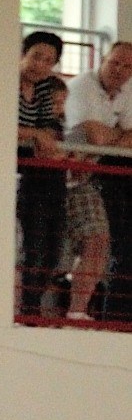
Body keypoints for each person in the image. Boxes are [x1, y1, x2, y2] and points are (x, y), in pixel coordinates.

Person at [60, 37, 132, 325]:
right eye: (115, 63)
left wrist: (109, 138)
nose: (119, 70)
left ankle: (80, 312)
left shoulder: (127, 91)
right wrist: (118, 137)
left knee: (100, 241)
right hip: (67, 174)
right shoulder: (81, 86)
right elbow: (95, 136)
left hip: (96, 174)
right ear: (102, 60)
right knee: (54, 247)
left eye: (127, 66)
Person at [13, 30, 74, 319]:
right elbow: (1, 124)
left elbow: (49, 125)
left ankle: (36, 301)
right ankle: (28, 308)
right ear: (23, 54)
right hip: (17, 167)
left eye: (49, 60)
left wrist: (44, 139)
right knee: (34, 243)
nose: (41, 65)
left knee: (51, 246)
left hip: (41, 169)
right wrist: (35, 135)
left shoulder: (48, 87)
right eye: (36, 56)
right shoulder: (7, 83)